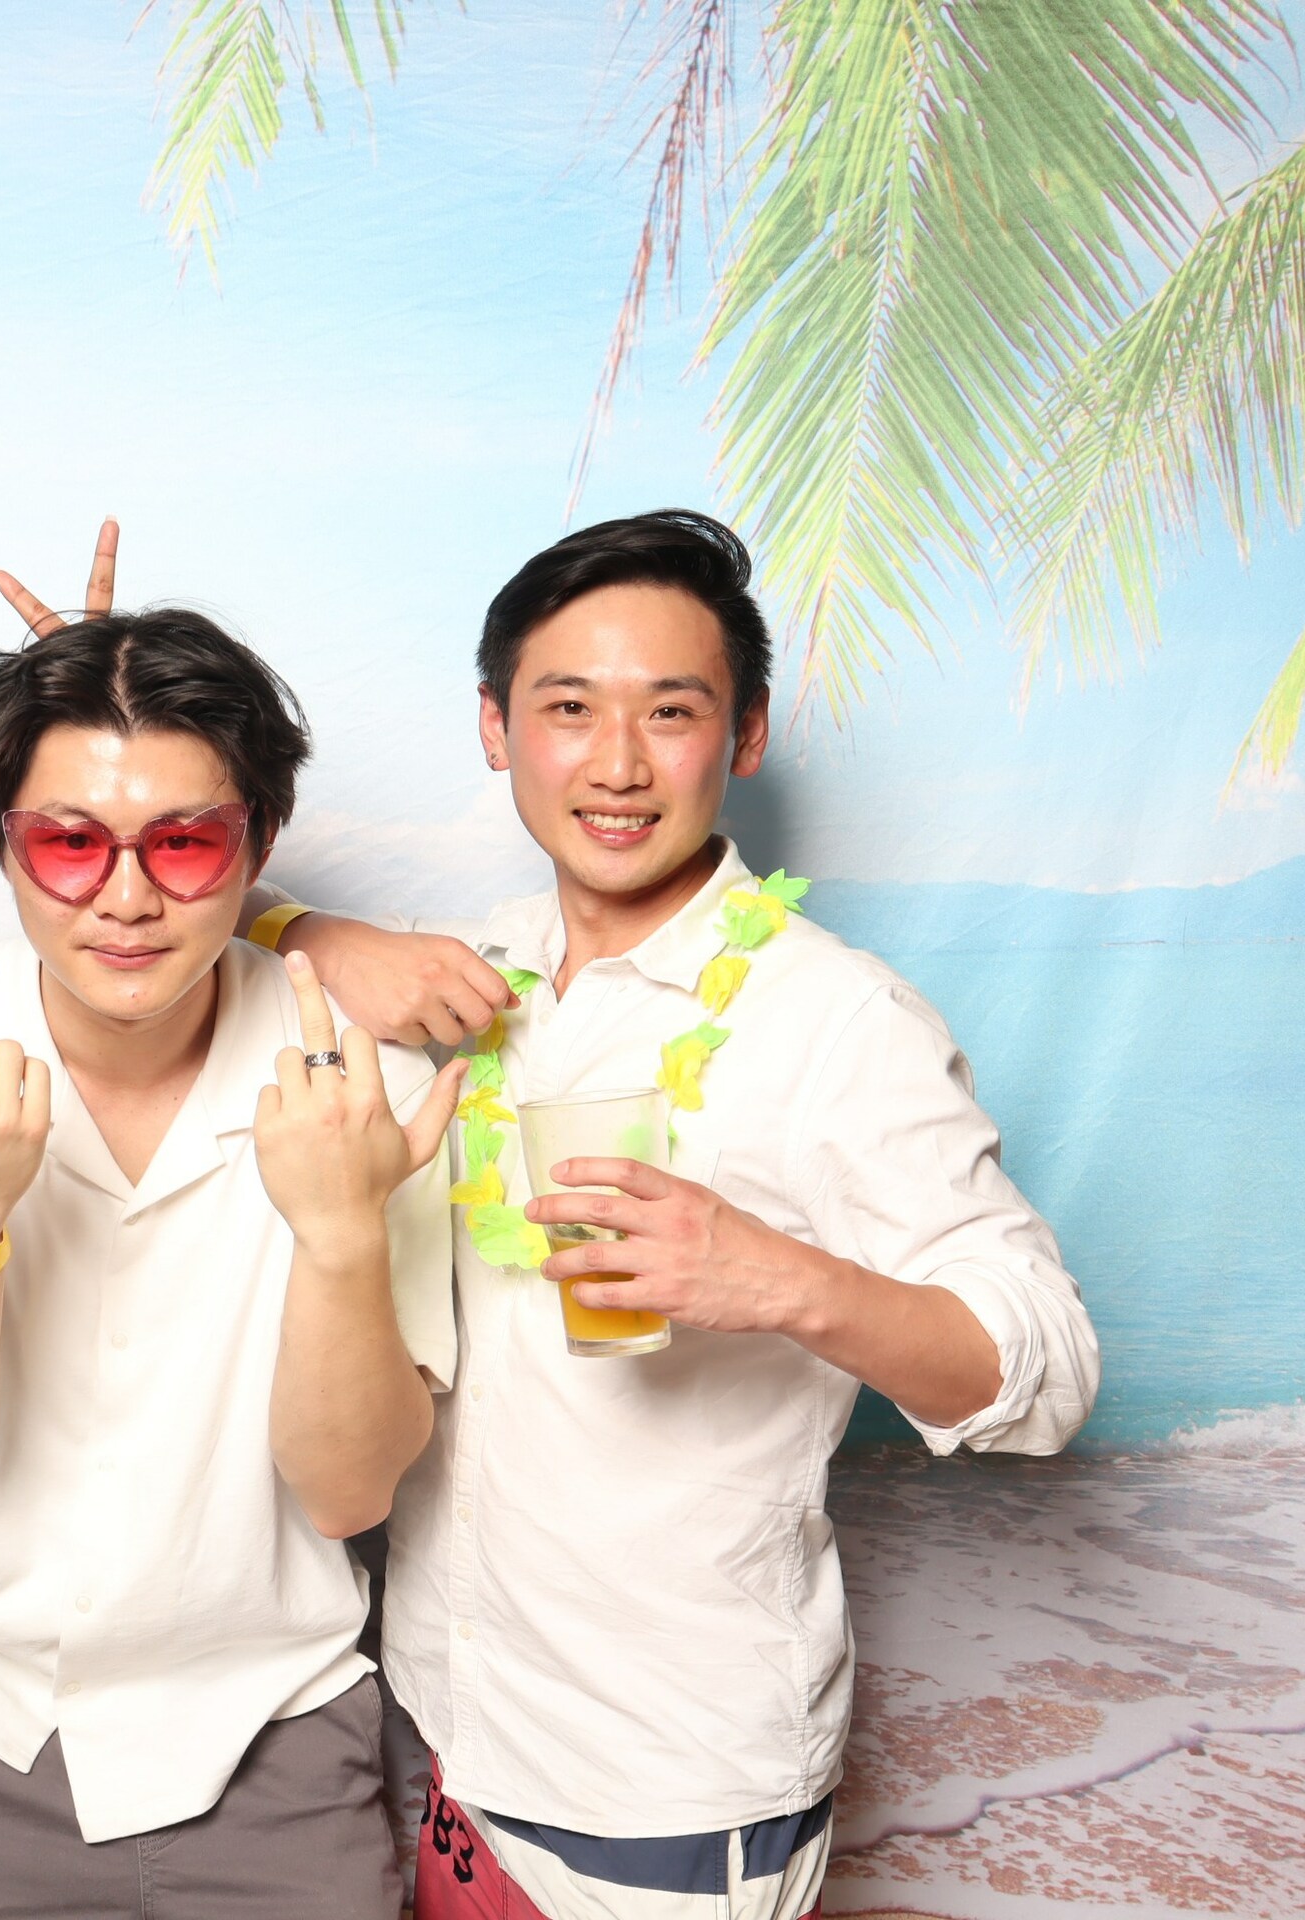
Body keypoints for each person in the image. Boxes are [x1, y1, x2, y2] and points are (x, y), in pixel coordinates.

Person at [251, 509, 1101, 1920]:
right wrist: (311, 929)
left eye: (671, 710)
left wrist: (784, 1282)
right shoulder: (477, 977)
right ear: (495, 727)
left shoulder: (838, 1020)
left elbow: (1051, 1374)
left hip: (670, 1797)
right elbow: (191, 901)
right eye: (568, 709)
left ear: (744, 734)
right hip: (458, 1735)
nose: (618, 764)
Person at [0, 604, 466, 1916]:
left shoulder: (371, 1090)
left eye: (183, 841)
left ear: (259, 843)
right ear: (5, 844)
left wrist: (340, 1234)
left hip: (274, 1746)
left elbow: (348, 1497)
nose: (125, 898)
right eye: (68, 843)